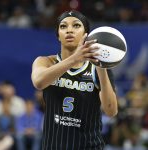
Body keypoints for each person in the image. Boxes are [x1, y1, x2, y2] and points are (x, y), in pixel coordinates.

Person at [31, 10, 118, 150]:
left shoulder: (98, 69)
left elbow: (111, 111)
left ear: (86, 35)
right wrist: (75, 58)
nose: (69, 30)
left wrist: (101, 68)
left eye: (76, 25)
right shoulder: (45, 62)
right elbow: (38, 82)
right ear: (58, 35)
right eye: (63, 26)